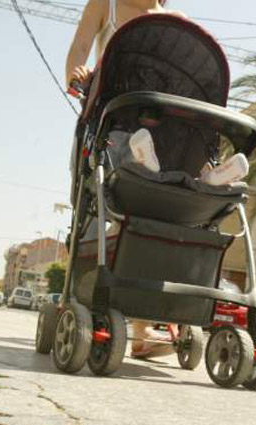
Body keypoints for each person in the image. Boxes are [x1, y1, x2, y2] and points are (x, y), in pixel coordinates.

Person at [66, 0, 184, 359]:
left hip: (159, 127)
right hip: (109, 123)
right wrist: (79, 74)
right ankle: (79, 304)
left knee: (149, 214)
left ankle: (144, 330)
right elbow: (79, 51)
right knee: (98, 211)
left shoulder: (175, 19)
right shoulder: (105, 4)